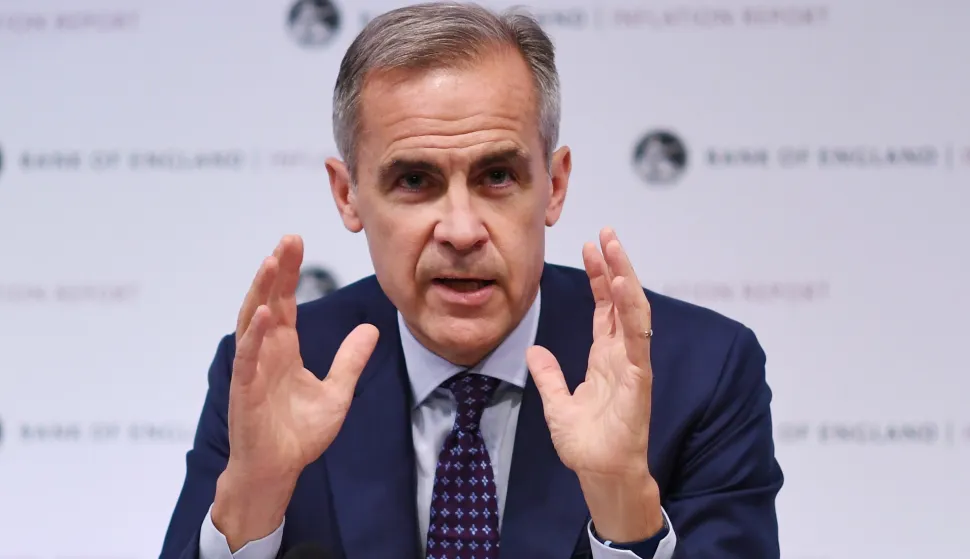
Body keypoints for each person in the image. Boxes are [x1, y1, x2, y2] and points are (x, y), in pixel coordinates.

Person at [159, 2, 784, 558]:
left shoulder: (701, 370)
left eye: (497, 176)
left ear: (554, 185)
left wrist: (623, 505)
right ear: (348, 196)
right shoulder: (278, 371)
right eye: (413, 181)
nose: (461, 230)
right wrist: (255, 501)